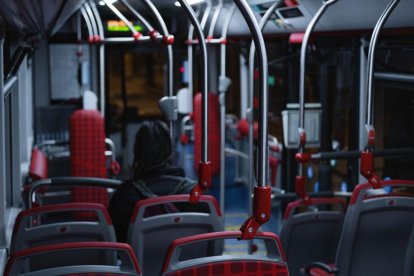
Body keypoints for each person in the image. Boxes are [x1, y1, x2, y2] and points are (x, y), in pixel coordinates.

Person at [108, 120, 197, 242]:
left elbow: (116, 242)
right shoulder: (195, 194)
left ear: (137, 153)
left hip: (138, 261)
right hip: (188, 260)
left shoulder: (124, 197)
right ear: (170, 152)